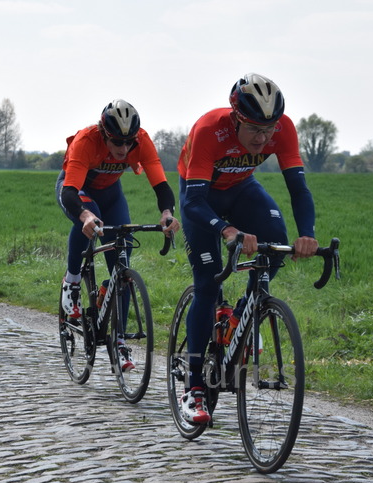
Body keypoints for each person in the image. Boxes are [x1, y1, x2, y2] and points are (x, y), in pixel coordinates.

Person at [177, 73, 318, 423]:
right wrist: (226, 229)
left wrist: (307, 235)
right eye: (255, 129)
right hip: (202, 198)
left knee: (276, 242)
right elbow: (193, 201)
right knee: (208, 284)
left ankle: (244, 311)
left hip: (242, 189)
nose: (264, 138)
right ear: (236, 118)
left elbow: (298, 190)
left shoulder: (283, 129)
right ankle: (194, 388)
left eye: (269, 129)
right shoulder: (210, 129)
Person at [56, 99, 180, 371]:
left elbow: (161, 184)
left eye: (129, 143)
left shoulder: (142, 141)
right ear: (103, 133)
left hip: (112, 195)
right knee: (90, 221)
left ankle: (119, 339)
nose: (124, 149)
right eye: (117, 142)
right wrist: (84, 215)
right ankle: (73, 281)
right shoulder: (86, 141)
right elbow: (69, 191)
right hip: (78, 192)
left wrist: (167, 213)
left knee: (121, 262)